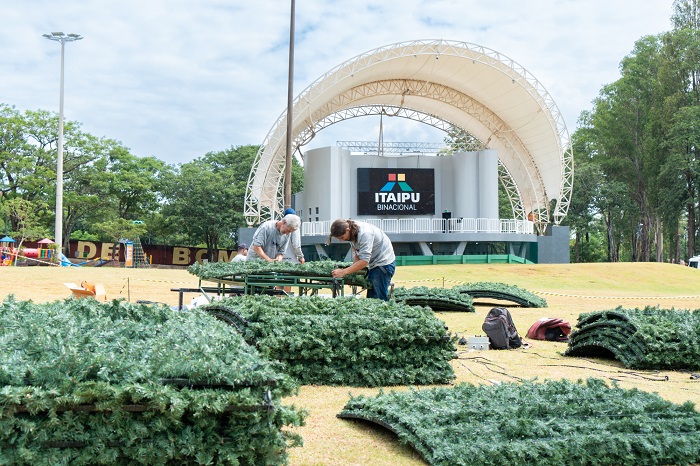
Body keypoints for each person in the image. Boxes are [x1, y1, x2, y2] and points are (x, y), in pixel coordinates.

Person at [328, 219, 395, 301]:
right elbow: (355, 250)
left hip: (383, 264)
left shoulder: (365, 233)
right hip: (374, 264)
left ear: (347, 229)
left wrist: (343, 272)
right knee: (372, 300)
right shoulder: (351, 230)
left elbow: (364, 261)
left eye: (342, 237)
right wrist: (355, 258)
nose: (341, 240)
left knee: (378, 300)